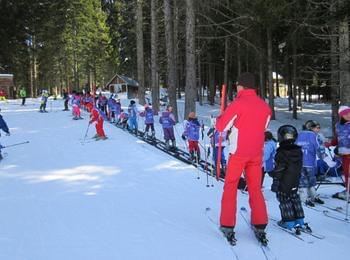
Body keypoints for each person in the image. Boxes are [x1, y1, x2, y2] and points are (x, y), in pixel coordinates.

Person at [215, 72, 271, 244]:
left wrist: (219, 117)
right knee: (255, 189)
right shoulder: (265, 106)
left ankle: (227, 224)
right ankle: (260, 223)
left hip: (238, 153)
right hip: (256, 153)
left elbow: (221, 126)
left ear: (241, 86)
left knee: (231, 187)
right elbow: (264, 126)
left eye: (237, 85)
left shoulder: (238, 104)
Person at [269, 125, 310, 232]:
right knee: (294, 198)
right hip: (295, 180)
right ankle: (299, 220)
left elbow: (279, 169)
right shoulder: (298, 151)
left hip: (284, 181)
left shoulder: (281, 152)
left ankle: (288, 222)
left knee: (284, 199)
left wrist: (275, 178)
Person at [295, 120, 324, 207]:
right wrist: (325, 158)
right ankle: (310, 197)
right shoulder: (314, 136)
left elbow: (295, 146)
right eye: (317, 127)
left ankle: (308, 197)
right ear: (311, 128)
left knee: (303, 179)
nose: (318, 129)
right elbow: (319, 148)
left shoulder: (299, 134)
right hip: (309, 163)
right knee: (311, 179)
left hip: (299, 162)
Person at [328, 106, 350, 200]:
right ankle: (348, 191)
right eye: (346, 114)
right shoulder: (338, 126)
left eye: (349, 113)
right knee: (346, 174)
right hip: (344, 154)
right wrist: (330, 144)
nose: (348, 115)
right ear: (341, 115)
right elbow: (337, 139)